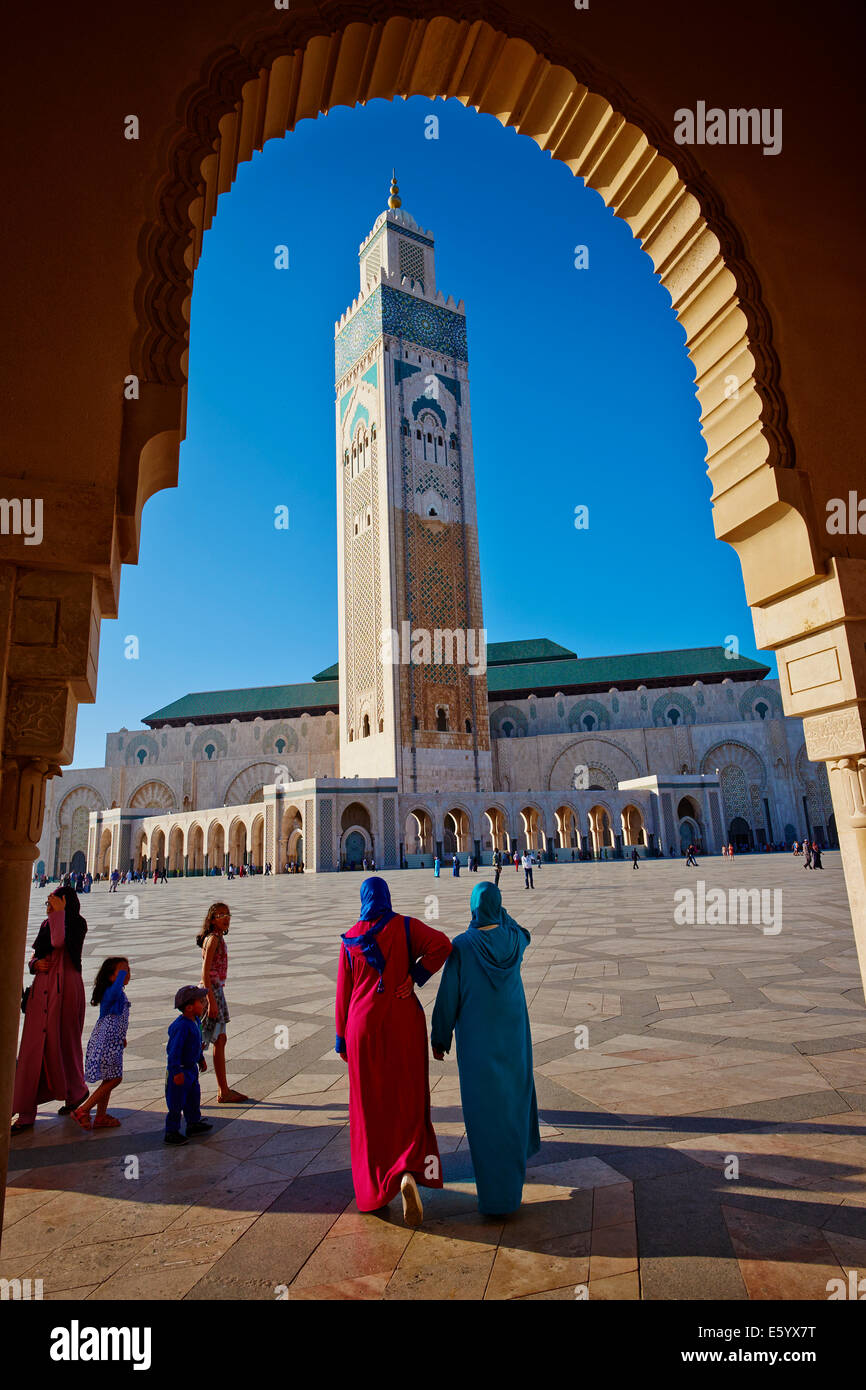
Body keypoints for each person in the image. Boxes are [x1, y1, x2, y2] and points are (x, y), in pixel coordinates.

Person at [335, 876, 451, 1225]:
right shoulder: (405, 926)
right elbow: (443, 945)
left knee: (370, 1108)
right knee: (408, 1099)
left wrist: (342, 1040)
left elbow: (343, 993)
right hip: (403, 1023)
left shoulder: (350, 939)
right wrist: (414, 976)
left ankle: (374, 1191)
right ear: (387, 897)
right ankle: (408, 1172)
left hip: (362, 1029)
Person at [431, 882, 540, 1217]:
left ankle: (493, 1196)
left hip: (478, 1044)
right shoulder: (514, 941)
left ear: (474, 907)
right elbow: (524, 931)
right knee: (512, 1104)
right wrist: (501, 914)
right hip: (513, 1039)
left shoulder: (463, 946)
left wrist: (439, 1037)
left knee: (484, 1114)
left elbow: (448, 996)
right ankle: (512, 1189)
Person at [11, 886, 89, 1133]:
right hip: (42, 991)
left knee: (64, 1043)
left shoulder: (77, 923)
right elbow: (35, 956)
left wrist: (59, 914)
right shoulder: (46, 924)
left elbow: (59, 941)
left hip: (66, 989)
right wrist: (35, 964)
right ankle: (25, 1109)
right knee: (33, 1049)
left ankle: (75, 1091)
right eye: (48, 901)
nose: (49, 904)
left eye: (54, 901)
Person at [197, 903, 251, 1104]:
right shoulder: (213, 940)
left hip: (214, 991)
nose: (226, 918)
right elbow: (205, 971)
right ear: (212, 919)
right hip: (211, 993)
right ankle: (217, 1089)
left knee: (218, 1040)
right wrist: (211, 1000)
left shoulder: (217, 938)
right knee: (205, 1041)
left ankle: (223, 1089)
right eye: (221, 915)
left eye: (228, 914)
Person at [74, 957, 132, 1129]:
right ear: (111, 977)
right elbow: (114, 994)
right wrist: (121, 974)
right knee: (115, 1078)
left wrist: (122, 1036)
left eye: (128, 970)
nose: (126, 973)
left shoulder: (119, 992)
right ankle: (83, 1110)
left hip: (113, 1040)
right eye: (122, 971)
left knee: (109, 1078)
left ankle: (100, 1116)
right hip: (107, 1041)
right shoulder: (110, 992)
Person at [165, 986, 213, 1145]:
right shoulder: (181, 1026)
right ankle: (171, 1131)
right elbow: (173, 1051)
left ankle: (193, 1123)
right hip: (180, 1071)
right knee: (176, 1102)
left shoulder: (196, 1021)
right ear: (189, 1007)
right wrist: (175, 1071)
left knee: (193, 1097)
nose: (204, 1003)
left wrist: (200, 1058)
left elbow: (196, 1044)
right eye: (201, 1001)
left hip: (191, 1068)